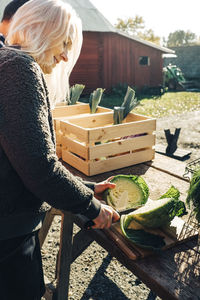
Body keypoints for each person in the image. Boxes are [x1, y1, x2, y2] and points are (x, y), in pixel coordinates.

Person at [0, 0, 120, 299]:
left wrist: (86, 187)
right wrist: (92, 208)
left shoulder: (4, 61)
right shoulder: (19, 68)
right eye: (64, 42)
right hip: (8, 231)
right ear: (41, 30)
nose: (67, 55)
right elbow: (39, 166)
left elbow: (17, 157)